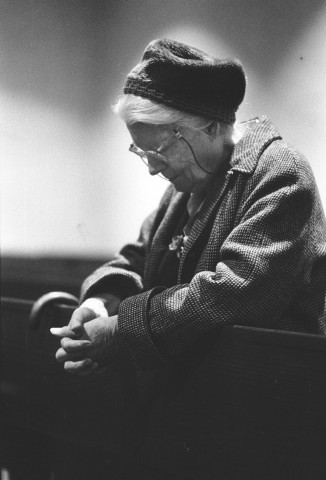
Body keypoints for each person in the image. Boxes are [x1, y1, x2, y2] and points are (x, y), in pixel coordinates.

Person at [51, 38, 326, 376]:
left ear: (209, 126)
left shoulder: (279, 171)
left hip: (268, 387)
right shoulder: (188, 185)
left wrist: (124, 328)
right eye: (142, 152)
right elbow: (139, 257)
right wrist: (102, 301)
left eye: (159, 150)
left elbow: (240, 292)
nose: (152, 169)